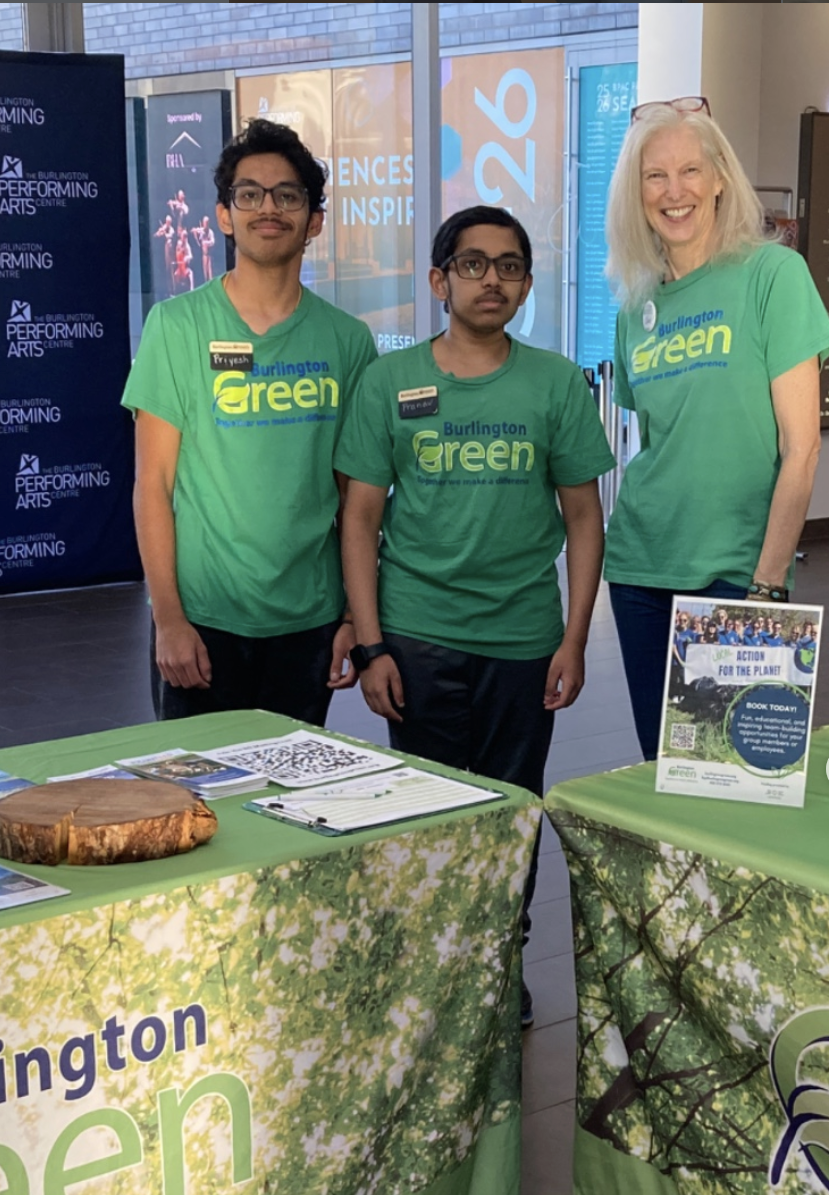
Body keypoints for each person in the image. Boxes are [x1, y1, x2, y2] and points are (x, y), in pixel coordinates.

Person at [336, 205, 612, 1027]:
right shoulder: (390, 384)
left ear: (527, 283)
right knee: (428, 811)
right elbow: (358, 521)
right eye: (473, 263)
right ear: (438, 279)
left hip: (524, 641)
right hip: (415, 639)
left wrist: (574, 637)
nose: (492, 279)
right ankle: (433, 965)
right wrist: (373, 644)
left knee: (513, 811)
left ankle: (499, 967)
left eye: (510, 266)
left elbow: (584, 518)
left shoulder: (555, 383)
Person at [122, 118, 377, 723]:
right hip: (204, 623)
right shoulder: (176, 326)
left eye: (288, 195)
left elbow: (357, 499)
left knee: (290, 802)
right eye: (250, 194)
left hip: (309, 622)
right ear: (224, 215)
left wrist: (351, 619)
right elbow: (153, 486)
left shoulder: (348, 341)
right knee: (198, 804)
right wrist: (169, 620)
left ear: (313, 220)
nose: (269, 208)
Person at [603, 97, 829, 759]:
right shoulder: (634, 305)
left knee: (735, 771)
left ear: (721, 178)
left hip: (738, 571)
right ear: (635, 194)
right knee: (664, 767)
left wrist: (767, 584)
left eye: (691, 171)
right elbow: (656, 439)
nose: (675, 192)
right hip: (642, 566)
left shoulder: (772, 274)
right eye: (655, 176)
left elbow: (802, 446)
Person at [192, 215, 216, 282]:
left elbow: (213, 242)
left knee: (210, 273)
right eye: (204, 223)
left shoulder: (210, 232)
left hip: (210, 255)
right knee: (205, 273)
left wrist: (206, 242)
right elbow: (199, 243)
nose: (205, 225)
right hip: (204, 255)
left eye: (207, 223)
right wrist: (195, 235)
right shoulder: (202, 232)